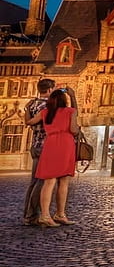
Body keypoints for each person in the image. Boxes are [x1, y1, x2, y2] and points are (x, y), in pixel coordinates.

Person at [32, 87, 80, 227]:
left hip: (51, 144)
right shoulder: (70, 111)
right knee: (63, 181)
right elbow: (73, 130)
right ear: (64, 100)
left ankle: (46, 215)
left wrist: (27, 110)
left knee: (49, 181)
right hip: (66, 145)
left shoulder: (45, 112)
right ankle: (59, 214)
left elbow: (29, 122)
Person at [22, 78, 56, 226]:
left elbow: (28, 122)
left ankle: (28, 214)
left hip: (35, 144)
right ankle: (31, 215)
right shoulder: (47, 106)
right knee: (41, 181)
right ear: (49, 90)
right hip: (45, 146)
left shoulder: (32, 104)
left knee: (33, 181)